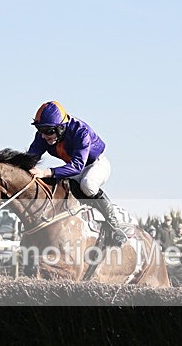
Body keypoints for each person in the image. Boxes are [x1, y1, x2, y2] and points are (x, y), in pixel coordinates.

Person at [25, 101, 126, 246]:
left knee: (88, 184)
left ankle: (114, 225)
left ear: (61, 127)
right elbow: (30, 158)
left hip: (95, 165)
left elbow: (78, 166)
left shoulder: (81, 131)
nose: (43, 136)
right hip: (72, 167)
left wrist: (47, 172)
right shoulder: (44, 136)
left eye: (48, 131)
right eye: (40, 130)